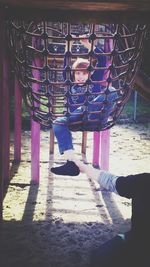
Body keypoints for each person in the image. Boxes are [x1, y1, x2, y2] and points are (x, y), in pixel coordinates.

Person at [51, 37, 118, 176]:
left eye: (85, 73)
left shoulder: (94, 82)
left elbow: (103, 61)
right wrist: (68, 45)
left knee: (111, 91)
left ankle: (86, 109)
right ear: (73, 74)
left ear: (90, 74)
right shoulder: (70, 84)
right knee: (57, 122)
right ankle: (71, 163)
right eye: (78, 73)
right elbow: (66, 65)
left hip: (94, 118)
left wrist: (89, 45)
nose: (81, 76)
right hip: (75, 118)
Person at [74, 162, 150, 267]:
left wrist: (85, 168)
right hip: (136, 242)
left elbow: (111, 181)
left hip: (136, 244)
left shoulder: (144, 181)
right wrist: (85, 169)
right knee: (100, 257)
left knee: (99, 258)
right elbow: (113, 182)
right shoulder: (144, 182)